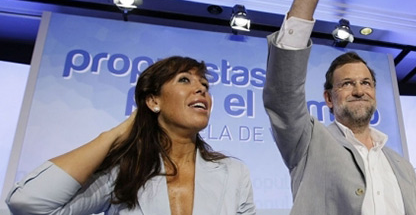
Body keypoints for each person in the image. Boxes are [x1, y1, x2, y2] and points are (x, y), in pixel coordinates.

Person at [262, 0, 416, 214]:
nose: (359, 90)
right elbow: (282, 96)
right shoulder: (308, 142)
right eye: (347, 84)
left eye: (366, 83)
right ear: (328, 98)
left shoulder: (402, 166)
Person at [6, 56, 255, 215]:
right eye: (184, 80)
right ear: (153, 100)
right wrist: (118, 132)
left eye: (204, 85)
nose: (200, 88)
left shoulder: (232, 172)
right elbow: (29, 204)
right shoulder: (126, 170)